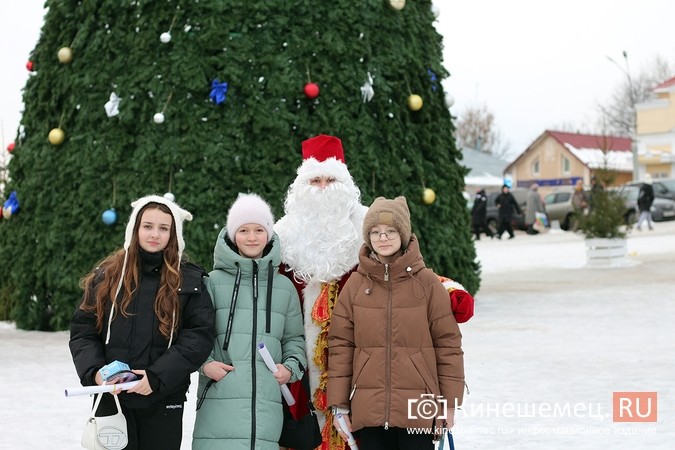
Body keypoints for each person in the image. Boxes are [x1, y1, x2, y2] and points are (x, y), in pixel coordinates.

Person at [70, 195, 215, 450]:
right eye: (147, 226)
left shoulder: (190, 280)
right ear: (135, 229)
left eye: (163, 228)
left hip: (163, 396)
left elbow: (198, 337)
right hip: (111, 399)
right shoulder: (107, 277)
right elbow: (84, 332)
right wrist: (96, 373)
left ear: (174, 234)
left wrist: (157, 378)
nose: (154, 234)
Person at [327, 196, 465, 450]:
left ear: (403, 234)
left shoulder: (427, 283)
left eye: (391, 231)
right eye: (376, 232)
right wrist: (339, 404)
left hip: (418, 409)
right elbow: (340, 346)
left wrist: (448, 403)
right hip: (368, 407)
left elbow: (448, 344)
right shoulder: (356, 285)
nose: (383, 238)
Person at [274, 134, 369, 449]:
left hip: (357, 361)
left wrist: (448, 292)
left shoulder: (369, 230)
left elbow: (406, 270)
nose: (324, 187)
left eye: (332, 179)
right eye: (315, 180)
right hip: (296, 364)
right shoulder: (281, 236)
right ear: (301, 186)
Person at [192, 193, 306, 449]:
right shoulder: (211, 282)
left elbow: (294, 340)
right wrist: (206, 365)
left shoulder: (284, 287)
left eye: (258, 230)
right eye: (243, 230)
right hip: (218, 405)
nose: (252, 237)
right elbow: (194, 337)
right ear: (233, 235)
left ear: (269, 234)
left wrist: (290, 368)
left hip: (267, 411)